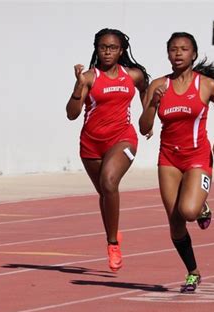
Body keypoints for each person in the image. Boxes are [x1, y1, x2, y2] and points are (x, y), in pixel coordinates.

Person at [139, 32, 214, 292]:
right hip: (168, 158)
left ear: (193, 54)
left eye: (183, 49)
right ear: (167, 54)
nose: (178, 53)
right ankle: (193, 271)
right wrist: (152, 104)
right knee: (175, 221)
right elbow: (144, 126)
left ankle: (202, 206)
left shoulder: (207, 86)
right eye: (173, 49)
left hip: (197, 157)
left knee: (189, 211)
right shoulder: (158, 85)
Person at [66, 28, 149, 272]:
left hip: (123, 138)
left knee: (109, 182)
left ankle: (112, 244)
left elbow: (145, 91)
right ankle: (113, 233)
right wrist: (78, 86)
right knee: (105, 193)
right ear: (96, 49)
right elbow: (71, 115)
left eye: (112, 47)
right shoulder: (89, 78)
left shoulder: (133, 76)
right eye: (103, 47)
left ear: (121, 50)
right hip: (91, 144)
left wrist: (148, 118)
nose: (107, 51)